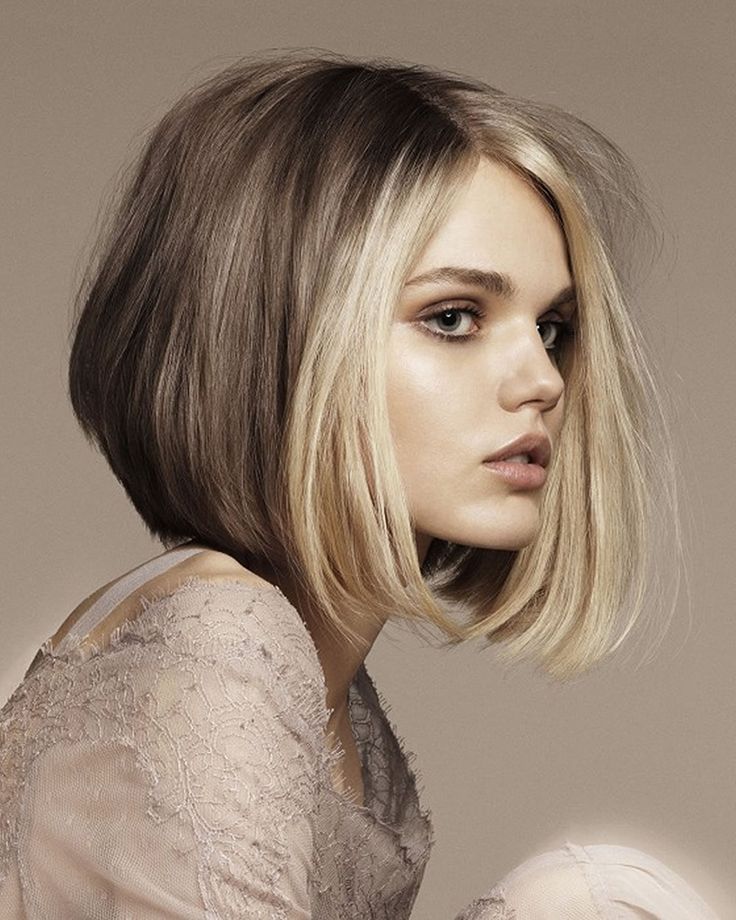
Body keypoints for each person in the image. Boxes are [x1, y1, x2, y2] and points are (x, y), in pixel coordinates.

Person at [0, 50, 724, 918]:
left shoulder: (329, 692)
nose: (543, 380)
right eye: (453, 317)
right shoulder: (221, 645)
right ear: (279, 341)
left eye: (552, 328)